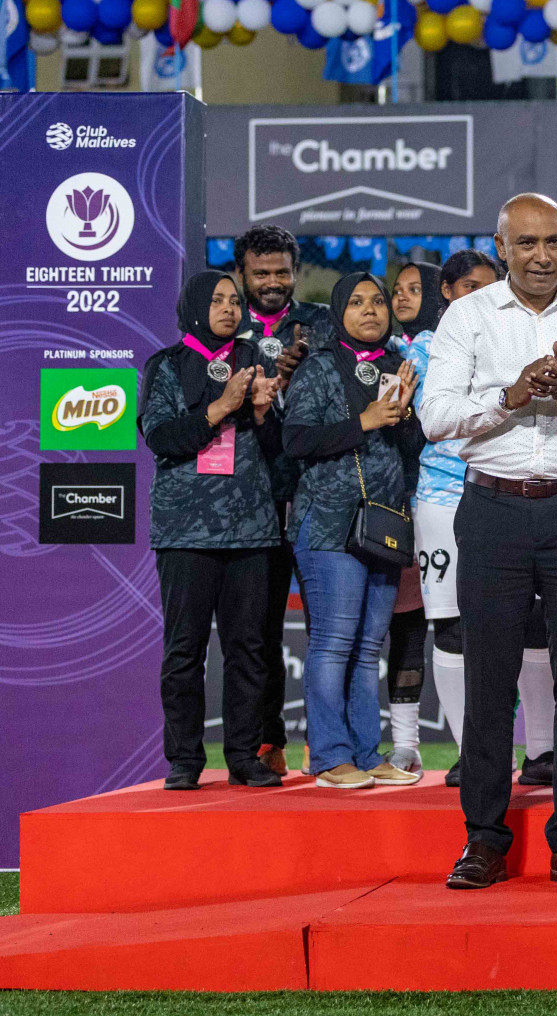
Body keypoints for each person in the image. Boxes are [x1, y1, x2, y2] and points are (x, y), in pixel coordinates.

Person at [422, 193, 557, 891]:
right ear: (501, 247)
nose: (541, 256)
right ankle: (483, 840)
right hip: (492, 510)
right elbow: (434, 417)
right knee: (491, 683)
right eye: (527, 244)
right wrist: (511, 397)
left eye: (553, 242)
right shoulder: (467, 315)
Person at [399, 251, 557, 789]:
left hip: (512, 498)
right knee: (451, 626)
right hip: (444, 498)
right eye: (468, 286)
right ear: (444, 291)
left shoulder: (520, 341)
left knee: (533, 623)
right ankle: (474, 753)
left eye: (490, 287)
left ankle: (541, 752)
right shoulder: (422, 349)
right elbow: (421, 421)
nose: (481, 296)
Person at [140, 271, 284, 790]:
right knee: (185, 650)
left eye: (234, 300)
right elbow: (161, 435)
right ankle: (185, 760)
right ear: (196, 306)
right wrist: (222, 407)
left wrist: (266, 414)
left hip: (250, 527)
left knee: (248, 649)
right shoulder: (168, 366)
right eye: (217, 300)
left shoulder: (256, 361)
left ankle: (245, 756)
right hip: (185, 530)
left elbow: (281, 451)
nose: (228, 307)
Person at [283, 273, 422, 791]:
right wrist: (362, 421)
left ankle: (366, 753)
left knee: (368, 648)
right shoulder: (319, 367)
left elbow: (410, 450)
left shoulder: (395, 367)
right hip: (329, 526)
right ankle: (329, 755)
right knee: (334, 643)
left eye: (378, 301)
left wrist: (405, 416)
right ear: (339, 311)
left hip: (383, 526)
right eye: (358, 302)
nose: (371, 310)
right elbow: (295, 440)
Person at [234, 224, 330, 777]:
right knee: (259, 627)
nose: (272, 282)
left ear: (294, 270)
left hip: (319, 492)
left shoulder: (318, 322)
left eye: (280, 272)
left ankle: (328, 741)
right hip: (251, 500)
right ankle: (269, 741)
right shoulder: (227, 325)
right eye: (260, 272)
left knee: (328, 629)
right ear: (242, 273)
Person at [382, 260, 443, 776]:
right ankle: (404, 745)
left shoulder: (450, 351)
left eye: (414, 289)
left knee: (453, 626)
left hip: (447, 503)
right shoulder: (385, 356)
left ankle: (478, 745)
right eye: (396, 290)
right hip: (394, 504)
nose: (402, 297)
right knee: (403, 623)